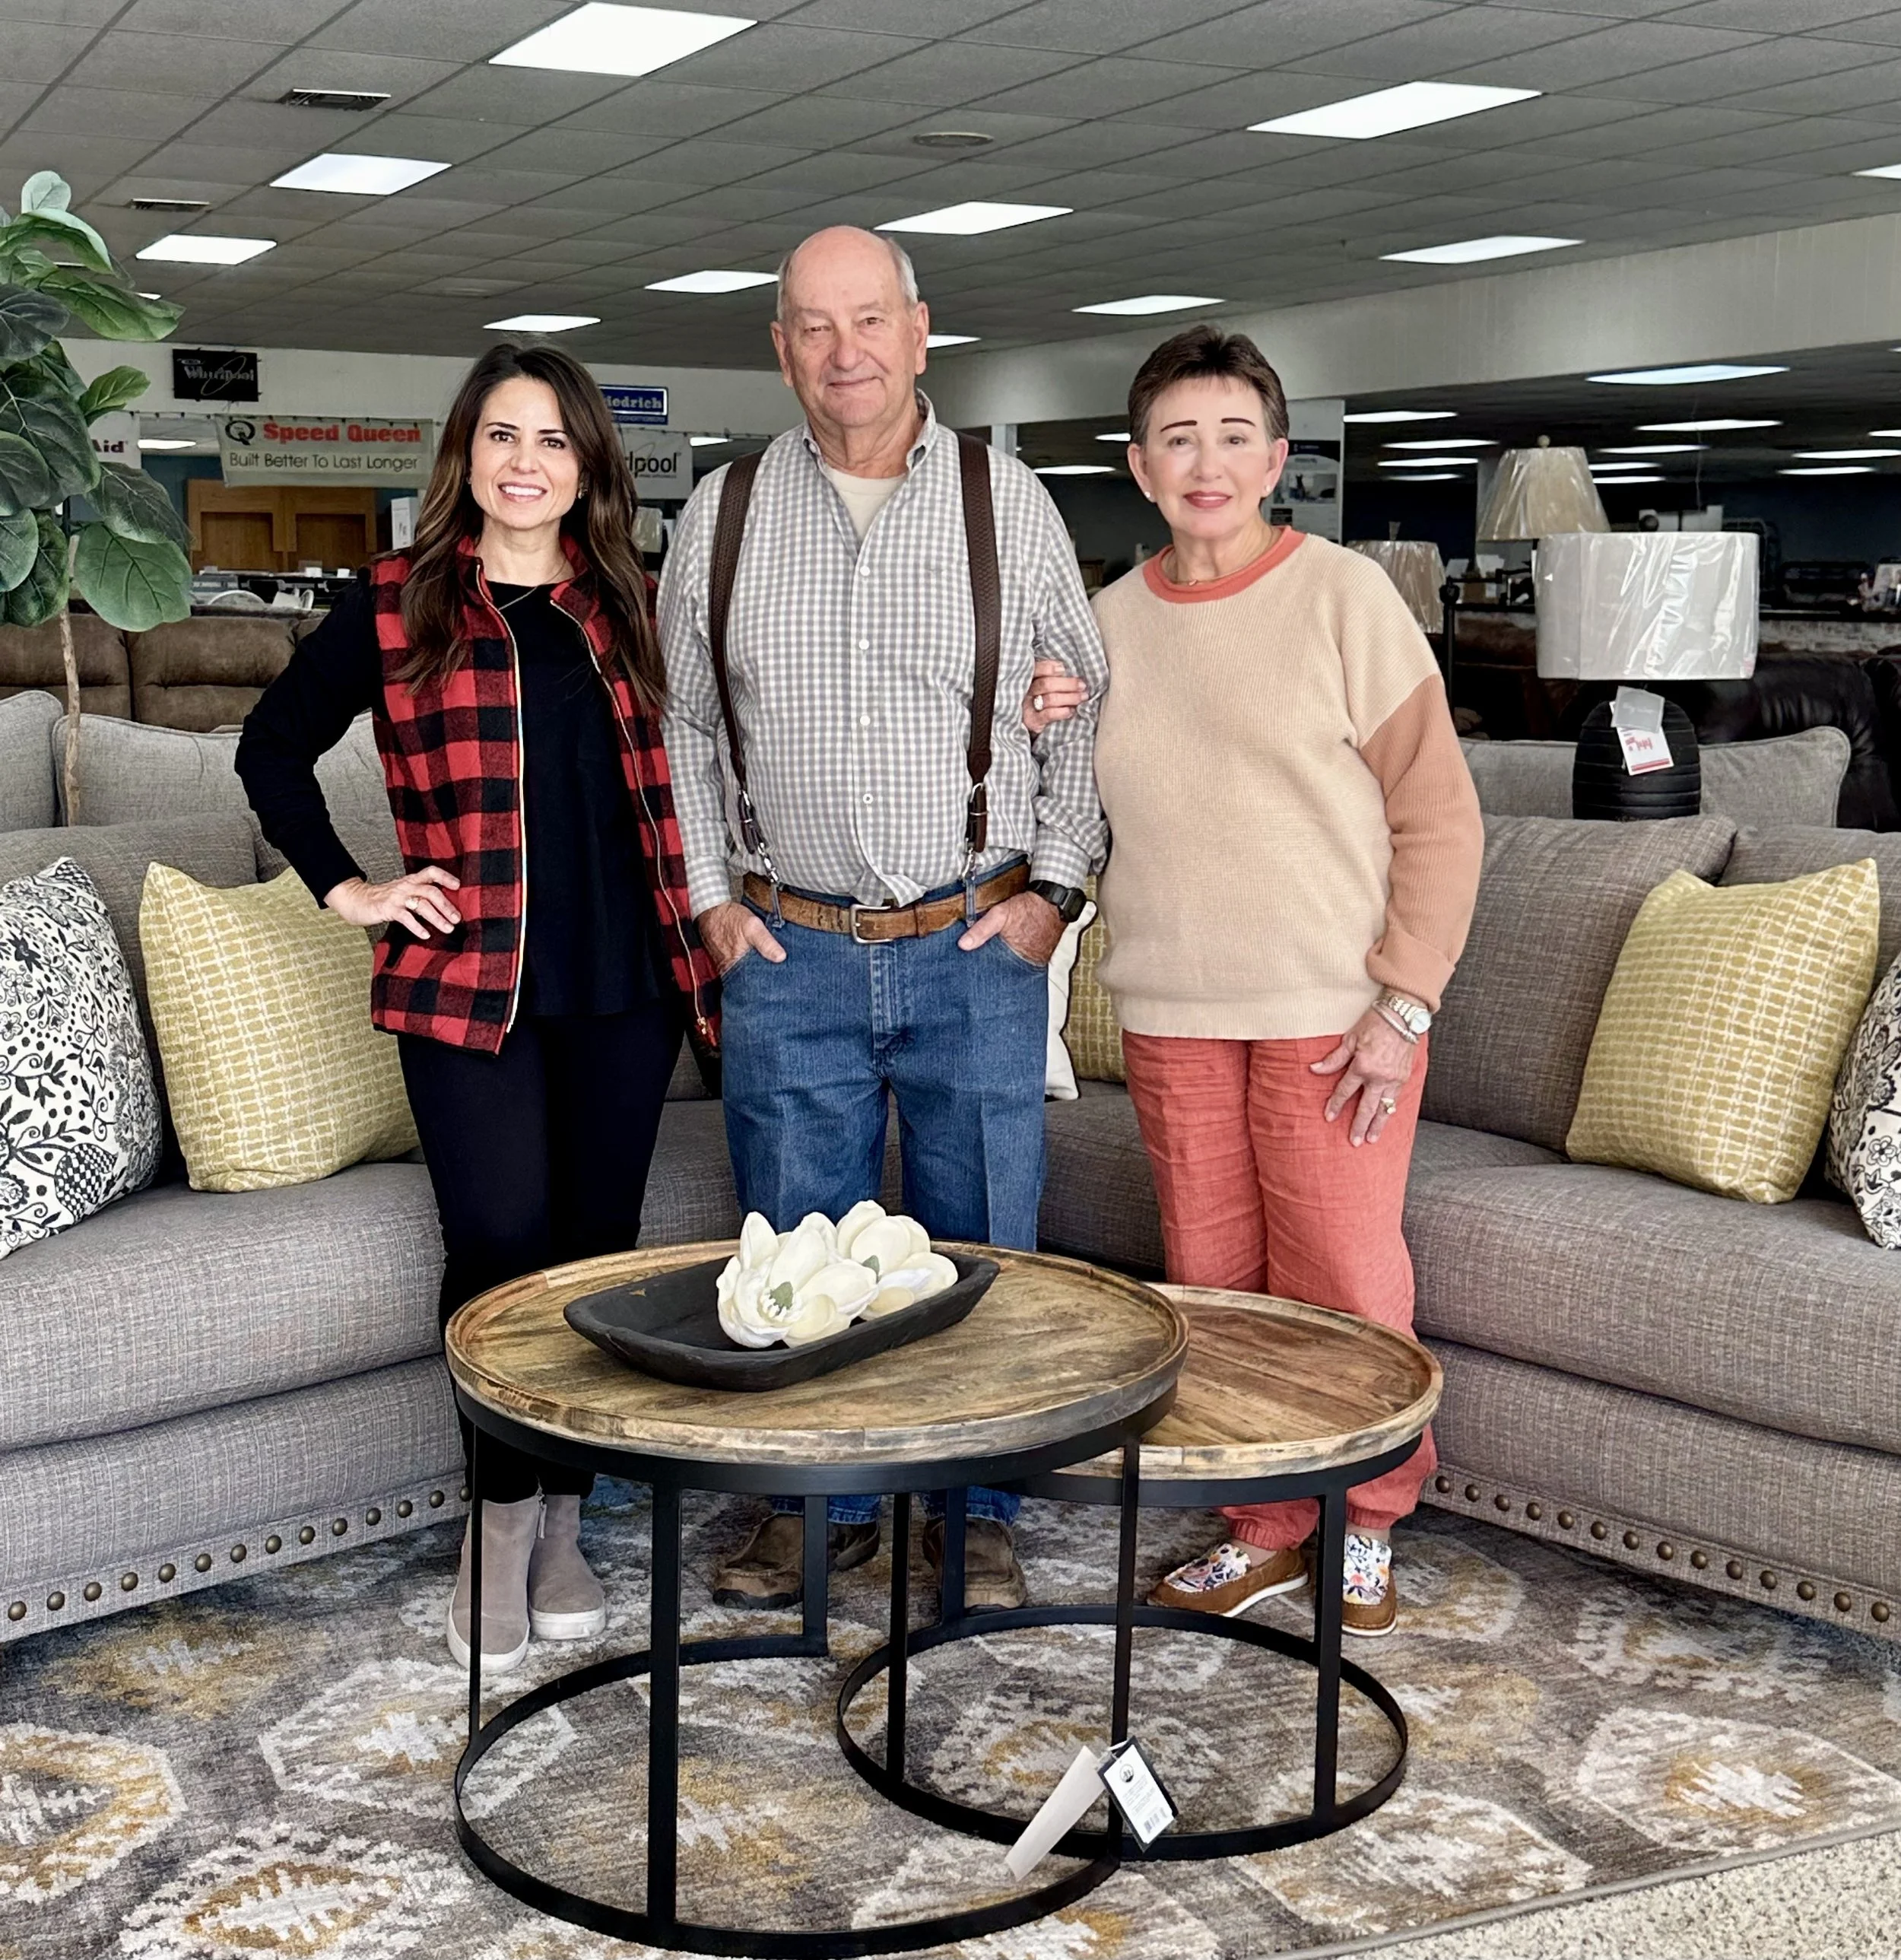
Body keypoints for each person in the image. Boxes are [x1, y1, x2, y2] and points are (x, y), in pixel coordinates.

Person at [237, 342, 716, 1676]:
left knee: (591, 1257)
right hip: (467, 987)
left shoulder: (634, 603)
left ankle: (566, 1521)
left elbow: (749, 737)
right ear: (465, 456)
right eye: (502, 436)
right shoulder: (397, 601)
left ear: (589, 469)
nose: (525, 464)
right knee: (500, 1256)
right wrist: (348, 887)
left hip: (627, 981)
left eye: (555, 442)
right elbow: (269, 747)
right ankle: (493, 1533)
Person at [659, 225, 1108, 1615]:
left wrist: (1056, 895)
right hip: (785, 952)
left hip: (977, 945)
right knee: (793, 1245)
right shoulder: (719, 514)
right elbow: (681, 728)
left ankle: (964, 1511)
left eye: (870, 320)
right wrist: (714, 911)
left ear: (921, 331)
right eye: (813, 325)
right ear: (780, 347)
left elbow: (1078, 709)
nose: (844, 351)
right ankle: (820, 1507)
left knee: (986, 1245)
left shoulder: (1008, 501)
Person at [1030, 325, 1481, 1637]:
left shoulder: (1345, 598)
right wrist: (1039, 711)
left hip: (1337, 1021)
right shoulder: (1105, 631)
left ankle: (1368, 1519)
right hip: (1171, 1016)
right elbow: (1066, 804)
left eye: (1234, 436)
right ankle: (1270, 1525)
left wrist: (1405, 1005)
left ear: (1278, 459)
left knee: (1343, 1281)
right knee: (1215, 1289)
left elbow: (1442, 823)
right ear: (1139, 467)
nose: (1207, 461)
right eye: (1179, 438)